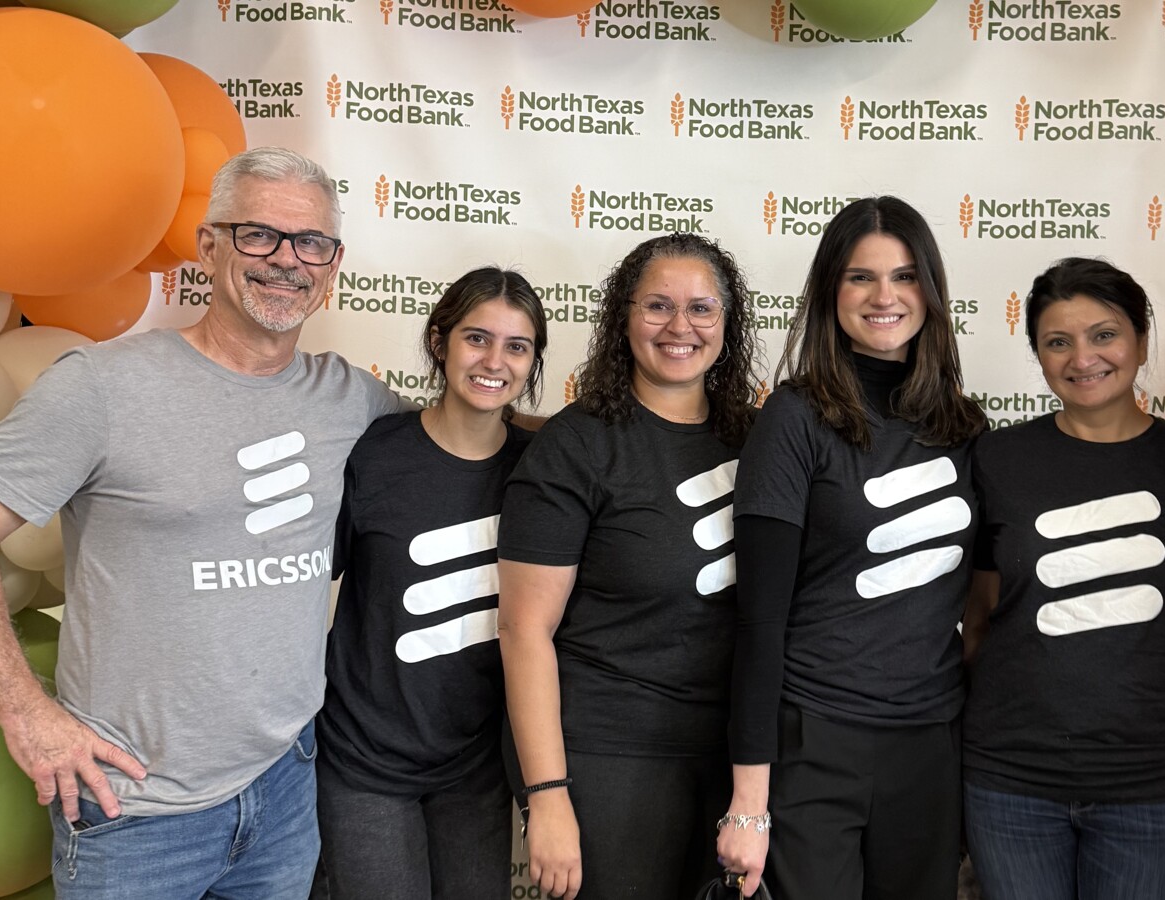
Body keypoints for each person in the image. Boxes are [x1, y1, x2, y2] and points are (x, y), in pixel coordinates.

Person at [0, 147, 400, 898]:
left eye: (310, 243)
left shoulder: (352, 401)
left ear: (332, 263)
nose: (286, 260)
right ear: (209, 244)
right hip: (133, 812)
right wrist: (25, 713)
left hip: (285, 790)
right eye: (258, 234)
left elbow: (466, 444)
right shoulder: (103, 387)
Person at [718, 196, 986, 900]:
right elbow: (759, 622)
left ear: (929, 288)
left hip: (930, 746)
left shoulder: (964, 427)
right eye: (860, 277)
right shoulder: (794, 419)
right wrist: (749, 802)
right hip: (814, 740)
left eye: (903, 275)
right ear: (830, 291)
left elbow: (985, 601)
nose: (884, 296)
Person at [496, 233, 760, 900]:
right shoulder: (577, 446)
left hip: (733, 758)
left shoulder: (763, 439)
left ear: (727, 326)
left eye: (702, 308)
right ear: (623, 318)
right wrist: (549, 798)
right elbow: (524, 632)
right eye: (658, 306)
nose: (680, 327)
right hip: (609, 759)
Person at [960, 258, 1165, 900]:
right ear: (1038, 354)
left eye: (1104, 334)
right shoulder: (997, 459)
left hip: (1153, 787)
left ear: (1142, 340)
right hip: (1010, 782)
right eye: (1057, 341)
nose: (1083, 358)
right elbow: (979, 616)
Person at [313, 267, 548, 900]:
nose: (494, 361)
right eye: (477, 338)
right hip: (364, 762)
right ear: (440, 341)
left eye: (517, 346)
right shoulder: (374, 454)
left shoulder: (543, 472)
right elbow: (299, 590)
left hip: (475, 770)